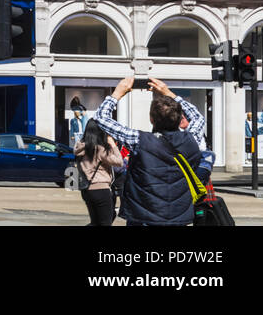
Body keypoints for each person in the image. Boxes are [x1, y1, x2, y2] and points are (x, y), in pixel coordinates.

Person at [95, 76, 205, 226]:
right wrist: (168, 92)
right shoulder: (191, 139)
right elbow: (197, 116)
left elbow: (101, 117)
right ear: (180, 119)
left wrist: (117, 93)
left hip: (143, 215)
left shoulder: (139, 140)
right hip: (179, 216)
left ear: (151, 119)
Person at [74, 118, 123, 226]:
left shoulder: (80, 147)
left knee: (95, 223)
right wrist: (113, 145)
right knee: (105, 223)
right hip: (101, 190)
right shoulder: (100, 149)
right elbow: (119, 162)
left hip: (86, 190)